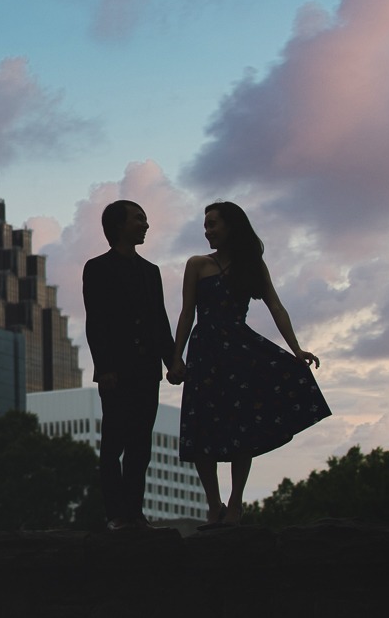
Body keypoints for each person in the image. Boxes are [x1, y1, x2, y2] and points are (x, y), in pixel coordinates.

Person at [169, 201, 330, 527]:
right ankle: (213, 506)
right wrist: (176, 359)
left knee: (242, 425)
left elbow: (276, 306)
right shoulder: (197, 264)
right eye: (206, 225)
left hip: (239, 350)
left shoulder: (252, 266)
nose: (207, 230)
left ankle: (236, 503)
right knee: (202, 428)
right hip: (204, 351)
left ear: (231, 226)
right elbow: (187, 313)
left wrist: (296, 350)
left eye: (213, 224)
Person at [83, 200, 184, 530]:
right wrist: (105, 367)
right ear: (118, 225)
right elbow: (96, 322)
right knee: (114, 443)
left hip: (146, 371)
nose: (145, 224)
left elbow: (160, 323)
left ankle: (135, 511)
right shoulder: (97, 268)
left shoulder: (151, 272)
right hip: (117, 372)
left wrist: (172, 361)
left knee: (141, 443)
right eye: (139, 218)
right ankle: (115, 513)